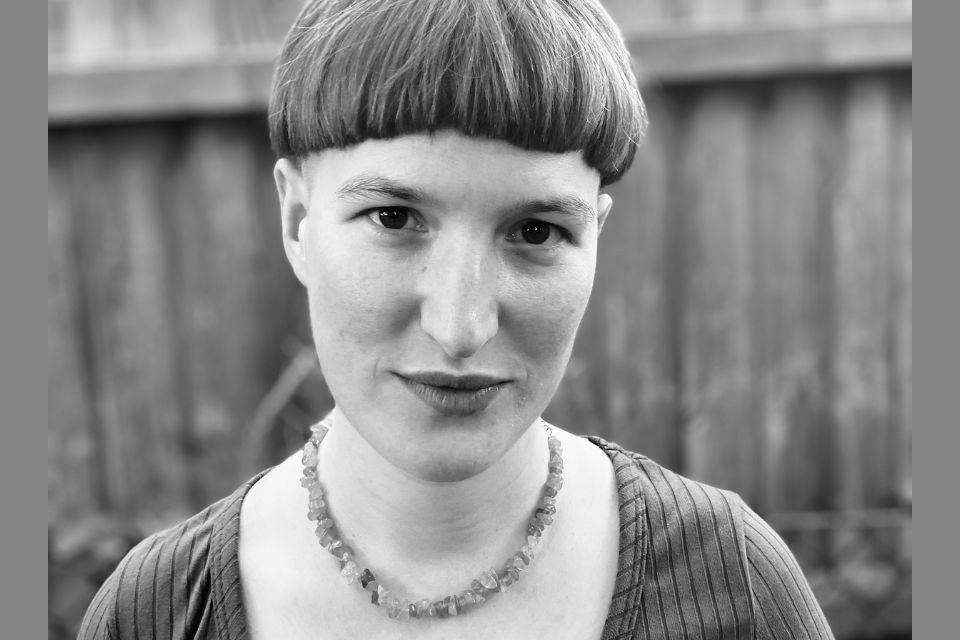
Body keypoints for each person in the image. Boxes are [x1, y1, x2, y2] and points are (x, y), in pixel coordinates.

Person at [79, 0, 834, 638]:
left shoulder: (736, 586)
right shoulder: (156, 613)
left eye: (536, 231)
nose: (461, 325)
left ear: (596, 235)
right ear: (297, 221)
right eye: (394, 216)